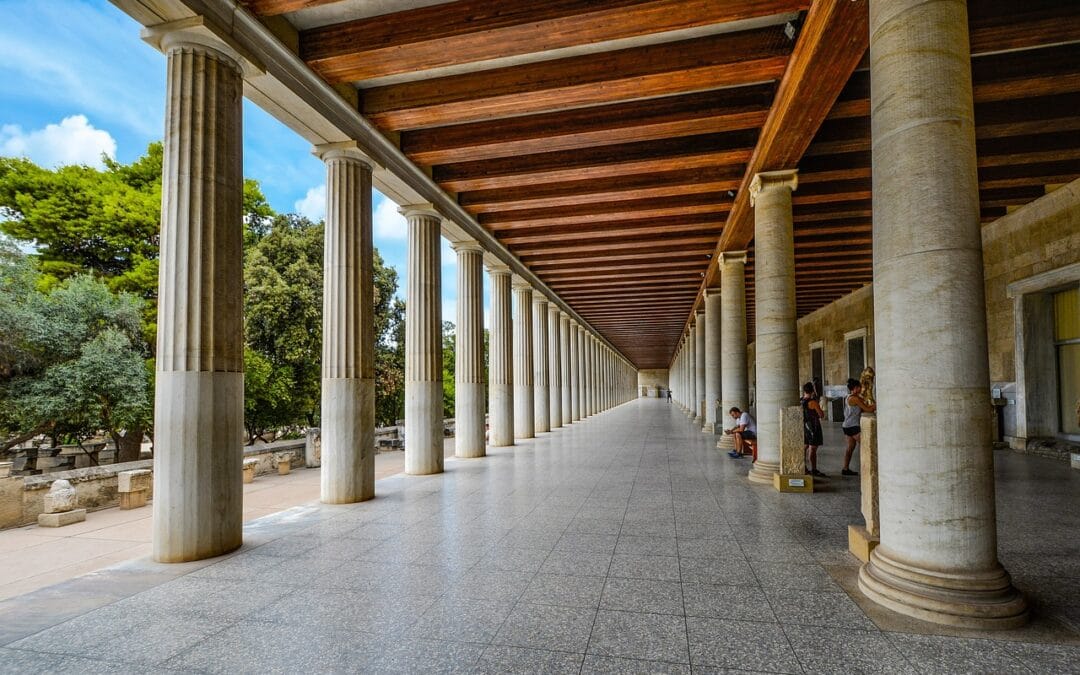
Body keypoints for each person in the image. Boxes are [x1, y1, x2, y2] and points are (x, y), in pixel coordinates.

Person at [842, 377, 876, 476]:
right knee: (866, 445)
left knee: (850, 448)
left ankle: (845, 468)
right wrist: (878, 405)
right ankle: (868, 469)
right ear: (855, 388)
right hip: (853, 426)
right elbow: (867, 409)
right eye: (860, 387)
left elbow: (862, 407)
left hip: (847, 425)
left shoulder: (849, 396)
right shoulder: (854, 398)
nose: (861, 389)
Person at [801, 382, 826, 477]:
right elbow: (821, 415)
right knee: (813, 449)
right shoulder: (813, 402)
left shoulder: (801, 401)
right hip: (813, 427)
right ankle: (814, 469)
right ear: (812, 391)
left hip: (805, 426)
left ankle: (803, 467)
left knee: (805, 446)